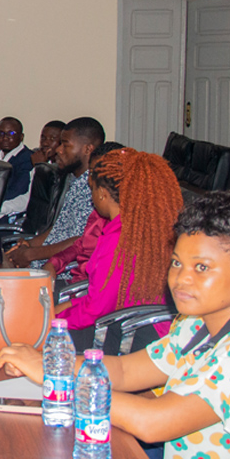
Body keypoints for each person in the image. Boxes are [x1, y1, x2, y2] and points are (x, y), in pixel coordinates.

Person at [0, 190, 230, 459]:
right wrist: (49, 360)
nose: (181, 279)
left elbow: (154, 422)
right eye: (176, 263)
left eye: (201, 268)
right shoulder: (197, 323)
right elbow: (125, 371)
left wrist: (55, 377)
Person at [56, 148, 182, 346]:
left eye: (93, 190)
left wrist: (53, 322)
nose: (92, 198)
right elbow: (100, 297)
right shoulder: (144, 228)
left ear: (103, 194)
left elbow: (96, 309)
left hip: (131, 334)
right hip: (133, 323)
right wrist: (61, 309)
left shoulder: (119, 239)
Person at [6, 117, 105, 268]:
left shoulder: (93, 188)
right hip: (43, 261)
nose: (59, 150)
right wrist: (29, 244)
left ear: (87, 149)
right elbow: (59, 227)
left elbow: (80, 241)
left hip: (62, 271)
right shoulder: (75, 181)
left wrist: (31, 254)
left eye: (65, 145)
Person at [44, 141, 124, 283]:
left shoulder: (121, 230)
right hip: (77, 283)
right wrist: (53, 263)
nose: (91, 180)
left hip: (84, 290)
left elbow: (99, 298)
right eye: (91, 172)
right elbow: (81, 244)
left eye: (97, 174)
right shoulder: (98, 215)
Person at [0, 117, 34, 220]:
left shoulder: (27, 158)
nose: (5, 138)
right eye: (0, 134)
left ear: (21, 137)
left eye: (11, 134)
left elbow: (18, 191)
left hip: (10, 212)